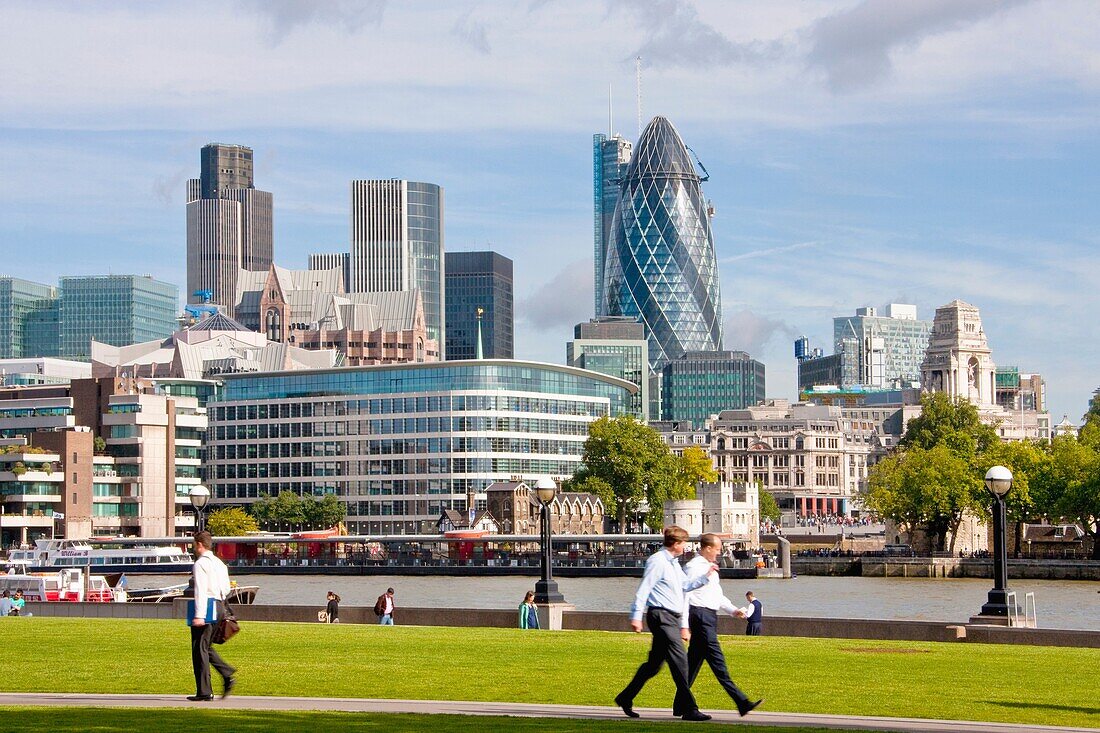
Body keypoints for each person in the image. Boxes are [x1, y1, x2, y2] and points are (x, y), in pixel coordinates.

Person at [615, 526, 717, 723]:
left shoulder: (673, 563)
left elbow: (685, 585)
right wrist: (636, 616)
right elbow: (644, 588)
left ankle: (625, 697)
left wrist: (706, 576)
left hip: (670, 618)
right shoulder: (658, 561)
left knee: (653, 666)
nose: (686, 547)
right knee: (681, 661)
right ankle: (689, 709)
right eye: (684, 543)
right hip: (660, 616)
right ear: (676, 543)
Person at [675, 534, 763, 718]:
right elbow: (685, 595)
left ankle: (680, 705)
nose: (719, 552)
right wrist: (684, 625)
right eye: (717, 549)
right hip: (700, 617)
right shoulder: (693, 568)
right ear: (707, 548)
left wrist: (732, 610)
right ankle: (742, 702)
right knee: (718, 664)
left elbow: (716, 595)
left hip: (708, 617)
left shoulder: (710, 568)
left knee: (692, 665)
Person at [187, 530, 236, 702]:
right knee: (205, 646)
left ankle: (204, 691)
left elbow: (200, 589)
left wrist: (199, 615)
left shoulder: (200, 564)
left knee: (199, 648)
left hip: (207, 606)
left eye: (194, 544)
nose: (194, 547)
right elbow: (226, 588)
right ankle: (226, 673)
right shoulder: (219, 563)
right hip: (219, 604)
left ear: (199, 544)